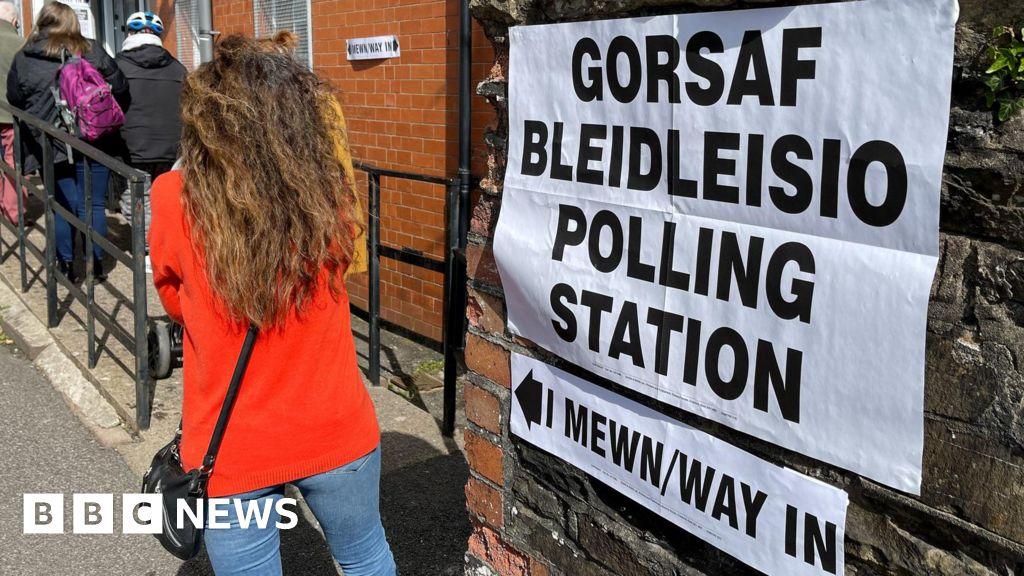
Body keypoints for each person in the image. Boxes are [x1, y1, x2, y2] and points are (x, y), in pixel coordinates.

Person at [148, 34, 396, 576]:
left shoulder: (174, 198)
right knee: (365, 556)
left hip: (231, 439)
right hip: (335, 423)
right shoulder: (326, 196)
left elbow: (175, 301)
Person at [6, 2, 127, 282]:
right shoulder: (91, 49)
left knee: (62, 205)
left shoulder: (26, 55)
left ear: (42, 22)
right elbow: (120, 86)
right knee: (93, 204)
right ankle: (95, 266)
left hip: (51, 143)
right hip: (94, 139)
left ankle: (65, 266)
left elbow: (15, 97)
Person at [115, 11, 186, 232]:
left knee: (137, 199)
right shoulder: (178, 68)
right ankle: (164, 243)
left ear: (129, 33)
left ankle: (147, 250)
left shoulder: (117, 66)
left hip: (132, 147)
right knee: (166, 197)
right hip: (172, 147)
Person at [0, 0, 25, 226]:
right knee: (14, 161)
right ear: (15, 21)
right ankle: (13, 212)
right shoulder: (21, 44)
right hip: (12, 114)